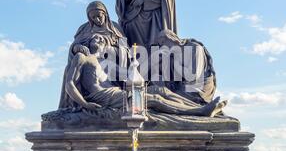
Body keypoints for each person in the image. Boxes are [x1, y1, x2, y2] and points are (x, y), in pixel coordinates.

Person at [65, 34, 227, 118]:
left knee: (161, 91)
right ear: (87, 42)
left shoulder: (106, 62)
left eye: (102, 38)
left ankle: (198, 108)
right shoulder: (83, 57)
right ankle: (199, 113)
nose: (99, 39)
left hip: (114, 92)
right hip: (102, 96)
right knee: (154, 100)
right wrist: (85, 104)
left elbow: (131, 72)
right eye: (95, 38)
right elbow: (70, 84)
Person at [59, 1, 127, 109]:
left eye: (99, 16)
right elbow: (75, 45)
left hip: (109, 67)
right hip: (90, 69)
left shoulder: (116, 28)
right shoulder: (84, 29)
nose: (97, 20)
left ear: (105, 14)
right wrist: (76, 48)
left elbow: (125, 50)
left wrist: (108, 50)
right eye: (93, 18)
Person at [154, 29, 217, 105]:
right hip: (185, 87)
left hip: (199, 89)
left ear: (171, 38)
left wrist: (176, 64)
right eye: (161, 45)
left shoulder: (195, 48)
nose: (163, 47)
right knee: (158, 90)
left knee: (167, 97)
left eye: (164, 42)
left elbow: (193, 76)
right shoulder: (173, 55)